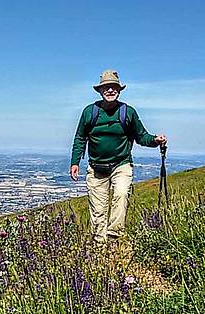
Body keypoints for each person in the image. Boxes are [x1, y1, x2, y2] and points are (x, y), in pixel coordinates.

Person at [69, 70, 167, 243]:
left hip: (121, 164)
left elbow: (141, 136)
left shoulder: (127, 112)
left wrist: (155, 141)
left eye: (113, 87)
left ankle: (114, 239)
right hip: (96, 167)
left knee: (120, 197)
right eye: (106, 87)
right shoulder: (89, 112)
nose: (110, 90)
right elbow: (80, 138)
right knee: (98, 209)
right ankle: (100, 245)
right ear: (100, 91)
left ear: (119, 90)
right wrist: (75, 162)